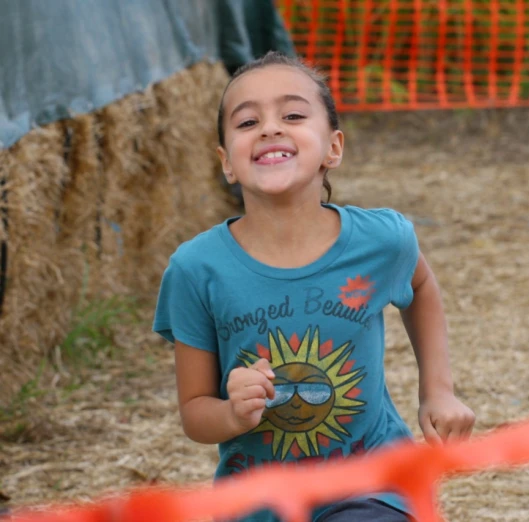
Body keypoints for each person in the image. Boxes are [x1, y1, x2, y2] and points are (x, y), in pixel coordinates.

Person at [153, 51, 475, 522]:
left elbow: (421, 286)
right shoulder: (196, 269)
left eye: (293, 115)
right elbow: (195, 412)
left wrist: (439, 390)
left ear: (334, 148)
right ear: (226, 163)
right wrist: (232, 414)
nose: (269, 128)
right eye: (247, 122)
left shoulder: (381, 240)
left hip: (373, 486)